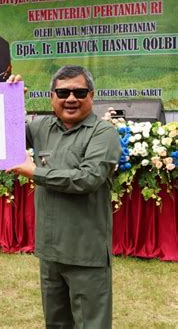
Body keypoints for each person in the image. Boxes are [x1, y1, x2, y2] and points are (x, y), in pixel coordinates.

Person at [7, 65, 122, 329]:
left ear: (91, 96)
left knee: (91, 325)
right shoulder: (42, 127)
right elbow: (1, 135)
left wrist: (36, 173)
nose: (71, 99)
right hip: (50, 252)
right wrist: (10, 102)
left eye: (79, 92)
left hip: (86, 252)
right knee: (56, 324)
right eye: (63, 92)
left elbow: (88, 178)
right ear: (52, 97)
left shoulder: (103, 133)